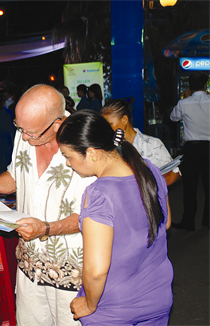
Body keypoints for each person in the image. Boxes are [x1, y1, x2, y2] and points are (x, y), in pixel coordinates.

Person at [0, 84, 95, 325]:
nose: (23, 137)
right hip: (29, 267)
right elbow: (16, 177)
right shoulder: (26, 132)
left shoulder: (86, 143)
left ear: (57, 124)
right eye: (19, 128)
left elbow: (91, 214)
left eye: (30, 132)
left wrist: (45, 229)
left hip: (71, 274)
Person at [57, 110, 173, 325]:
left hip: (114, 307)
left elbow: (96, 270)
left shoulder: (99, 193)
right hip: (158, 296)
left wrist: (90, 304)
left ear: (91, 152)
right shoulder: (150, 169)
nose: (68, 163)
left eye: (68, 156)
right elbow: (165, 223)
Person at [101, 99, 180, 186]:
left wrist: (152, 189)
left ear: (124, 120)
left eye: (110, 124)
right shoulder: (108, 148)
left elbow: (174, 173)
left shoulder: (152, 144)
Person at [170, 71, 210, 231]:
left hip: (192, 148)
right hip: (209, 148)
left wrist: (185, 98)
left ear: (189, 87)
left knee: (190, 187)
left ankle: (188, 222)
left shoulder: (184, 103)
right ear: (206, 85)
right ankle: (208, 221)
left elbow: (173, 118)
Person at [0, 93, 15, 174]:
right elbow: (11, 127)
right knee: (7, 159)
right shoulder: (8, 112)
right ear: (4, 102)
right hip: (6, 138)